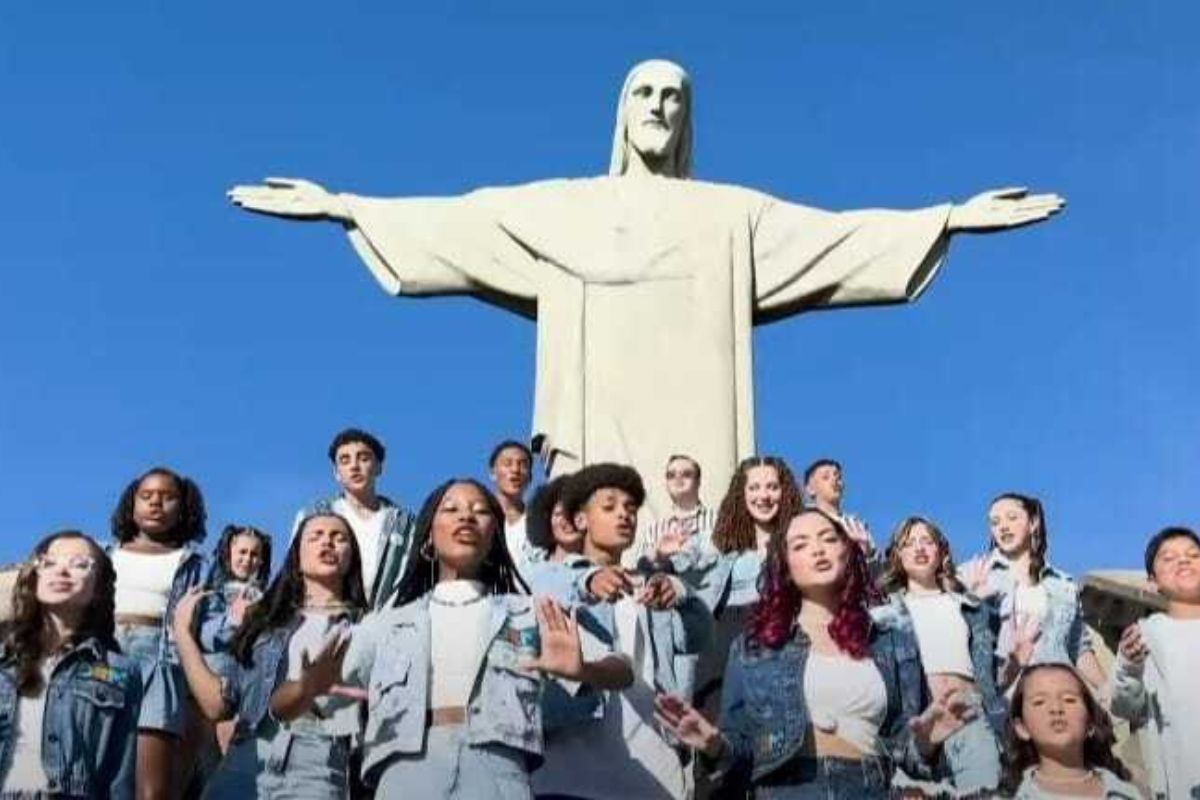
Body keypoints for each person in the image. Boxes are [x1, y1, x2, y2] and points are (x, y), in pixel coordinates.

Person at [229, 59, 1064, 514]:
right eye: (644, 92)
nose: (659, 104)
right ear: (622, 112)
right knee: (597, 505)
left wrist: (946, 219)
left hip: (703, 409)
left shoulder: (731, 213)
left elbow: (834, 237)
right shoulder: (565, 206)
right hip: (594, 406)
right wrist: (345, 206)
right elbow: (463, 221)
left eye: (674, 95)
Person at [655, 509, 970, 797]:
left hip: (869, 788)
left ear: (846, 551)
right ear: (786, 566)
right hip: (787, 790)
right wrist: (714, 744)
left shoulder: (891, 641)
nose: (818, 549)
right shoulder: (755, 647)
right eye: (801, 544)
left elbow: (905, 748)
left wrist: (927, 742)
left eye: (828, 538)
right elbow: (740, 750)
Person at [340, 478, 621, 799]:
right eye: (451, 509)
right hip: (404, 770)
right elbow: (322, 690)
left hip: (499, 768)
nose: (466, 517)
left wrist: (584, 669)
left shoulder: (528, 611)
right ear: (428, 538)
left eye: (480, 511)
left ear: (494, 538)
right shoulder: (387, 623)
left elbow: (620, 668)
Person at [534, 463, 711, 800]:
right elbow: (547, 584)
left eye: (631, 508)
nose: (624, 515)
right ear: (581, 520)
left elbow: (700, 636)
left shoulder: (649, 584)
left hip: (653, 769)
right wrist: (590, 579)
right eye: (610, 506)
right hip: (569, 770)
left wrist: (680, 592)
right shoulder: (553, 576)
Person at [172, 513, 367, 799]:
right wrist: (183, 634)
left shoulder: (368, 627)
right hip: (247, 757)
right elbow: (218, 705)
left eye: (339, 537)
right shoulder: (265, 624)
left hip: (319, 761)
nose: (327, 541)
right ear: (297, 556)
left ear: (352, 557)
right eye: (315, 536)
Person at [0, 531, 142, 799]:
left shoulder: (121, 671)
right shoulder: (4, 658)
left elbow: (119, 776)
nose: (62, 571)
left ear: (99, 587)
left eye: (79, 564)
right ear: (35, 575)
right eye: (49, 562)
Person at [873, 516, 1005, 797]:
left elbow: (995, 665)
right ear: (897, 555)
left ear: (941, 551)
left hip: (968, 716)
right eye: (909, 543)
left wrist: (979, 597)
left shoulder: (969, 607)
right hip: (917, 723)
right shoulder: (884, 615)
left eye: (927, 541)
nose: (919, 549)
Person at [109, 466, 209, 799]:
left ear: (183, 507)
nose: (156, 504)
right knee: (100, 776)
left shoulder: (193, 563)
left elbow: (205, 626)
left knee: (152, 789)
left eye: (167, 498)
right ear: (132, 503)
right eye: (147, 496)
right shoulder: (103, 555)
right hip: (107, 657)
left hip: (161, 663)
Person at [684, 456, 804, 724]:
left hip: (781, 630)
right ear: (742, 493)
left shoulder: (799, 540)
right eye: (754, 488)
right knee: (719, 726)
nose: (763, 496)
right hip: (723, 636)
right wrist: (661, 559)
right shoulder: (715, 542)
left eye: (772, 487)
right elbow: (682, 568)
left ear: (785, 492)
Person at [959, 493, 1105, 692]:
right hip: (1003, 698)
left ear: (1033, 523)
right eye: (995, 522)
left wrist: (1107, 690)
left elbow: (1078, 647)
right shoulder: (972, 573)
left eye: (1012, 518)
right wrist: (972, 599)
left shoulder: (1062, 585)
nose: (1003, 527)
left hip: (1055, 693)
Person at [1110, 526, 1200, 800]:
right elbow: (1124, 705)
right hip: (1184, 779)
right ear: (1152, 581)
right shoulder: (1145, 634)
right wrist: (1129, 667)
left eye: (1194, 555)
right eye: (1169, 558)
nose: (1184, 560)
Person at [294, 427, 417, 610]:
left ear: (379, 467)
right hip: (326, 615)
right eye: (345, 460)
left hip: (388, 621)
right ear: (336, 472)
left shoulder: (404, 524)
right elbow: (293, 571)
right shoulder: (313, 516)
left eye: (364, 458)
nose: (354, 466)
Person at [1002, 664, 1140, 799]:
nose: (1056, 708)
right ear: (1022, 728)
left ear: (1090, 723)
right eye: (1039, 702)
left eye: (1069, 700)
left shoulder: (1125, 791)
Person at [196, 524, 272, 754]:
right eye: (242, 552)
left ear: (261, 561)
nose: (247, 559)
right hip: (216, 682)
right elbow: (205, 637)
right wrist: (233, 619)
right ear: (229, 555)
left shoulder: (267, 600)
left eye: (254, 554)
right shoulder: (212, 594)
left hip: (251, 687)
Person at [630, 454, 718, 570]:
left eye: (686, 474)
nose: (678, 478)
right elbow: (639, 570)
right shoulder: (653, 530)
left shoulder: (718, 521)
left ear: (698, 482)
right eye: (671, 475)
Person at [522, 475, 586, 602]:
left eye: (575, 513)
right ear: (545, 520)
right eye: (559, 514)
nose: (568, 521)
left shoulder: (599, 573)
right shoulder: (527, 572)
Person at [802, 458, 877, 560]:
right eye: (826, 477)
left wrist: (867, 553)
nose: (835, 480)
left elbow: (875, 565)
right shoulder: (801, 521)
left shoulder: (856, 525)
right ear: (810, 489)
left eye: (838, 477)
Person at [489, 439, 536, 569]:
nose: (515, 469)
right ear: (493, 473)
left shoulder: (538, 522)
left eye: (523, 465)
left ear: (530, 477)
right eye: (507, 464)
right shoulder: (481, 519)